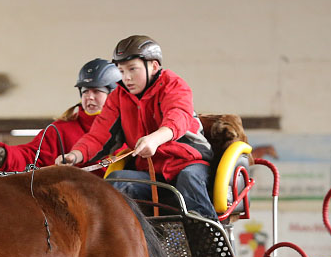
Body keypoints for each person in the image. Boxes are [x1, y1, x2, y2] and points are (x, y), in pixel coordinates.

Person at [56, 36, 218, 220]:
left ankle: (207, 239)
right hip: (150, 174)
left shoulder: (174, 85)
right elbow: (99, 136)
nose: (126, 78)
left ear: (154, 66)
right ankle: (126, 242)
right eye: (121, 71)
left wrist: (155, 139)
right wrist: (74, 155)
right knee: (118, 180)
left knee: (189, 179)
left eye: (133, 69)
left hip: (189, 164)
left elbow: (178, 116)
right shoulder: (118, 97)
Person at [0, 58, 120, 174]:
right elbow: (32, 155)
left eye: (96, 91)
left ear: (113, 94)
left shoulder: (129, 125)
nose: (89, 97)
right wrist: (6, 156)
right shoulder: (60, 129)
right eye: (85, 91)